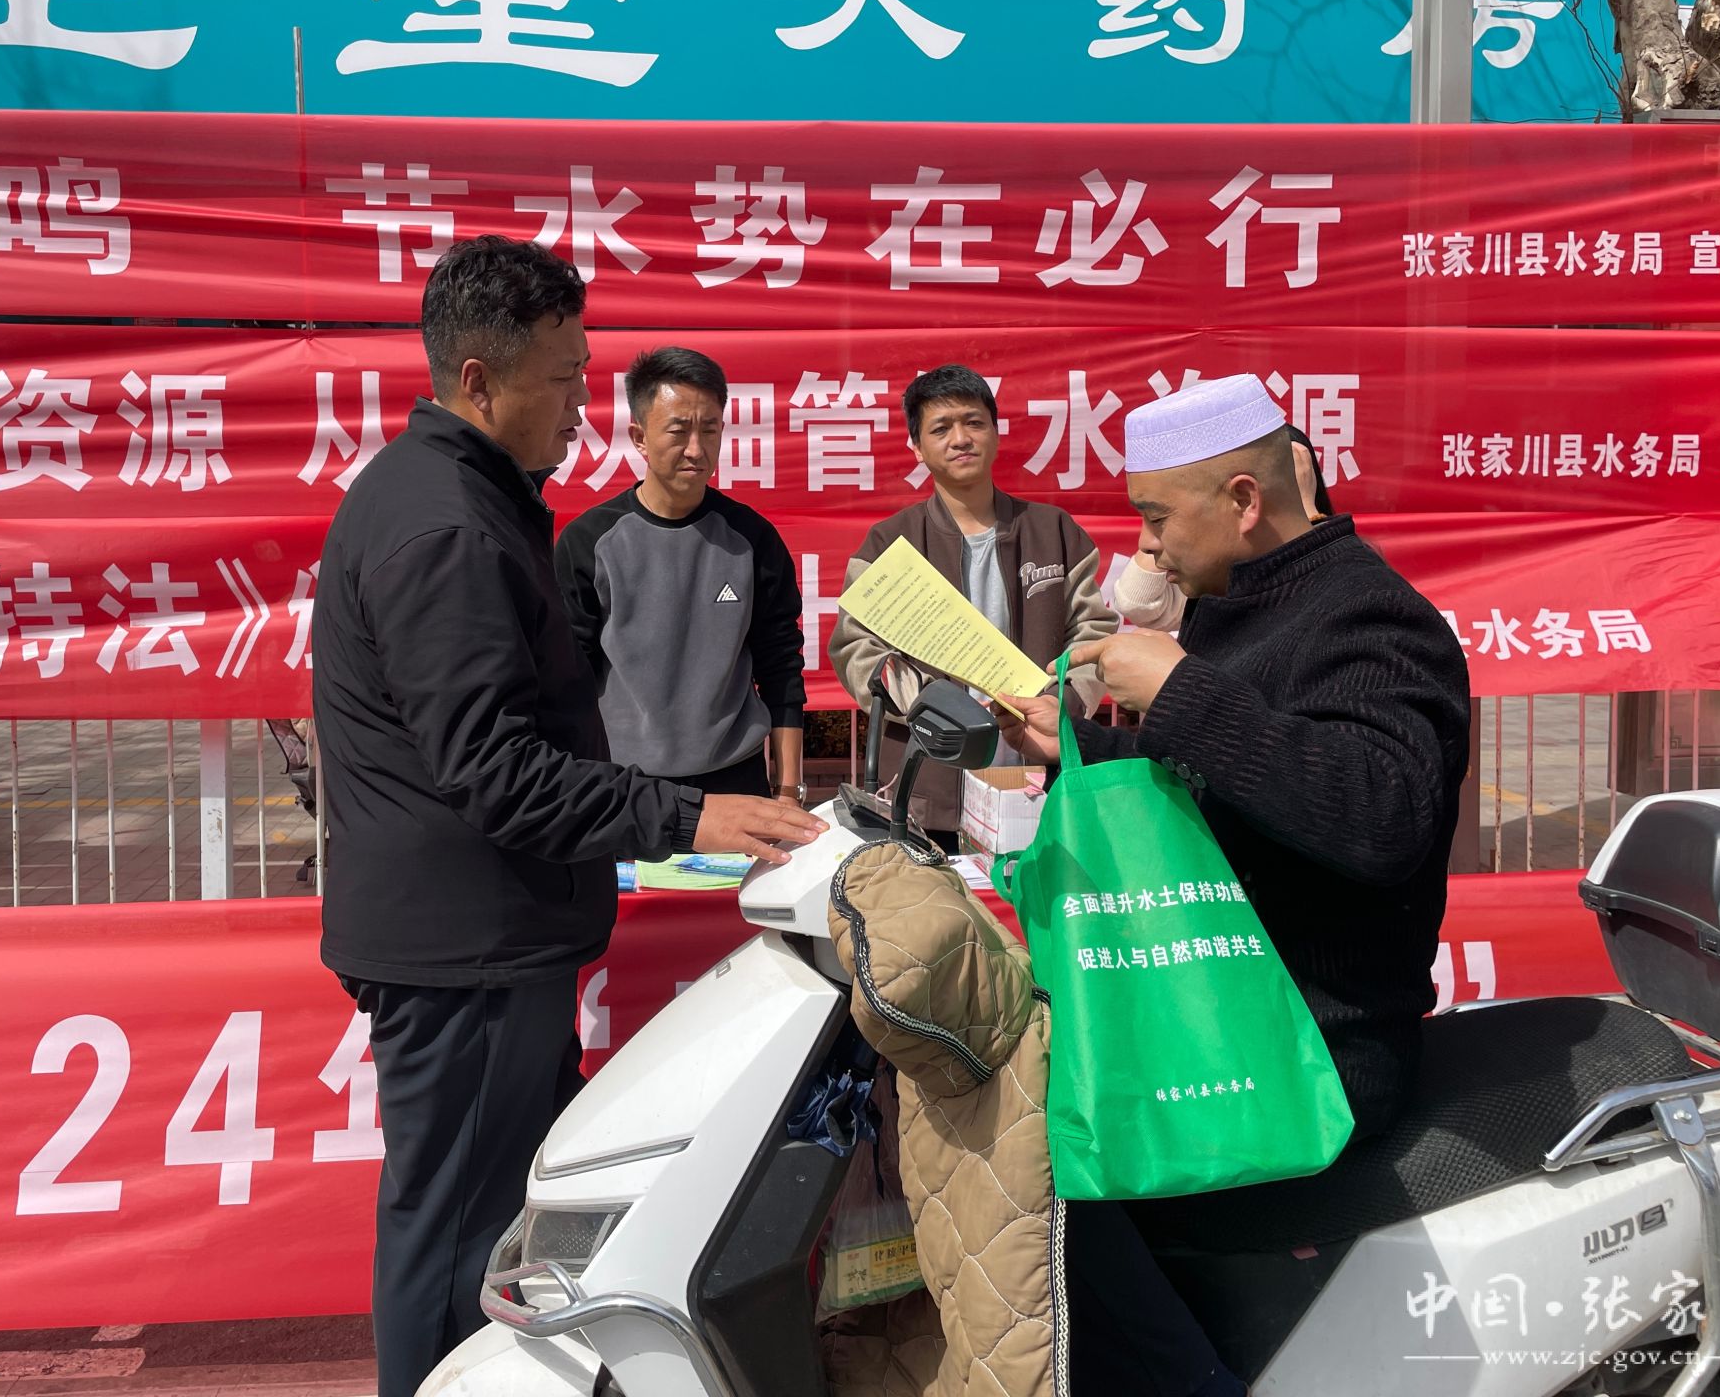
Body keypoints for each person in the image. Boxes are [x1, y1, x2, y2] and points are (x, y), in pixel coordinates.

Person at [311, 236, 824, 1396]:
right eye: (560, 380)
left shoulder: (461, 499)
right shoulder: (446, 528)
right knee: (455, 1238)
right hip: (467, 948)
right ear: (478, 380)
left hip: (485, 936)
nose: (580, 410)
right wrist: (689, 816)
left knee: (502, 1225)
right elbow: (496, 770)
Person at [997, 374, 1471, 1397]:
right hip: (1209, 1013)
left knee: (1041, 1175)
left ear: (1244, 500)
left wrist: (1179, 691)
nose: (1148, 547)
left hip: (1309, 1047)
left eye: (1157, 518)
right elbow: (1224, 788)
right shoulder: (1234, 608)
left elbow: (1380, 815)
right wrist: (1072, 746)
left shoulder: (1371, 620)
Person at [828, 363, 1117, 851]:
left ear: (996, 432)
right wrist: (931, 707)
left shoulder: (1054, 531)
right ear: (917, 447)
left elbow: (1093, 632)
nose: (960, 439)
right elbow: (856, 649)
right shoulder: (888, 544)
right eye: (941, 428)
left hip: (1039, 780)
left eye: (974, 422)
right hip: (927, 787)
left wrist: (1061, 703)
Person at [556, 346, 807, 801]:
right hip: (624, 785)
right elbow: (569, 680)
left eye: (709, 430)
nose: (695, 449)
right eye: (678, 431)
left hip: (734, 781)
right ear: (639, 437)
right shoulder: (590, 542)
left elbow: (781, 667)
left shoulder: (752, 539)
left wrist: (788, 789)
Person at [1113, 421, 1333, 631]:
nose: (1145, 543)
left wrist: (1307, 512)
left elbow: (1324, 597)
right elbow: (1137, 601)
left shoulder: (1341, 578)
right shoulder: (1212, 570)